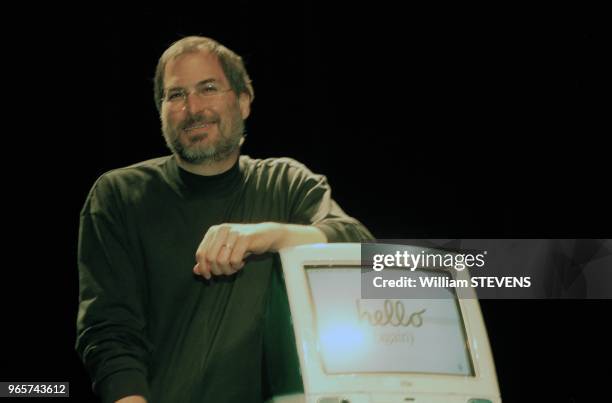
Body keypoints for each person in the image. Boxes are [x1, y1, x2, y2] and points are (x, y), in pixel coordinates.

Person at [76, 36, 373, 403]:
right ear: (161, 111)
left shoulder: (285, 182)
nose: (193, 108)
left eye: (209, 88)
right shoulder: (119, 195)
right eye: (176, 95)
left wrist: (266, 235)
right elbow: (108, 331)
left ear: (244, 101)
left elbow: (362, 247)